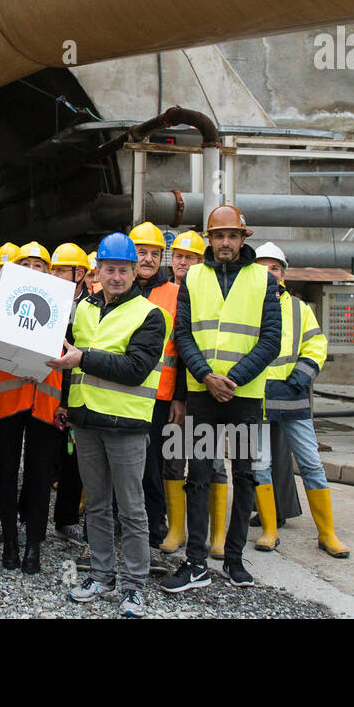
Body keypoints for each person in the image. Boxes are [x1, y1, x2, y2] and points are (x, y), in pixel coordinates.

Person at [48, 232, 169, 618]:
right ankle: (101, 575)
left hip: (126, 424)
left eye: (123, 270)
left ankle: (134, 585)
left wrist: (83, 358)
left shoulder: (150, 315)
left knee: (132, 509)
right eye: (109, 269)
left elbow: (135, 369)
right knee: (97, 505)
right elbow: (66, 357)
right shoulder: (83, 307)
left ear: (135, 272)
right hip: (85, 421)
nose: (115, 276)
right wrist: (67, 402)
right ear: (96, 271)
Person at [162, 204, 281, 593]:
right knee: (196, 476)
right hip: (202, 394)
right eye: (218, 236)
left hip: (245, 396)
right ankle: (195, 562)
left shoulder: (263, 279)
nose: (225, 242)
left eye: (232, 235)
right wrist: (205, 376)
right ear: (209, 239)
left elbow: (271, 339)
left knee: (245, 475)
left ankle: (233, 559)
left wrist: (231, 378)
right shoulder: (192, 277)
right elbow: (182, 335)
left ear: (243, 238)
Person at [251, 243, 349, 558]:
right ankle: (268, 529)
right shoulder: (244, 307)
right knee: (260, 466)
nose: (270, 273)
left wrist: (301, 377)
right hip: (257, 398)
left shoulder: (299, 308)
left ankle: (327, 534)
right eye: (263, 267)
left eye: (275, 268)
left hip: (292, 398)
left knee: (311, 465)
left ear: (284, 272)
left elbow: (316, 343)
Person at [0, 242, 64, 575]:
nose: (33, 269)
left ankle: (34, 546)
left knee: (39, 476)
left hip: (45, 401)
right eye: (26, 264)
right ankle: (9, 544)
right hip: (7, 399)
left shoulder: (64, 306)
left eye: (39, 264)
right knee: (5, 473)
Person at [127, 222, 183, 555]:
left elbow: (184, 349)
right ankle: (125, 522)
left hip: (160, 397)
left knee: (153, 468)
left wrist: (180, 398)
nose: (147, 259)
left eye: (154, 253)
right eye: (141, 252)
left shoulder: (176, 294)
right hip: (124, 393)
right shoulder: (120, 289)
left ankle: (152, 528)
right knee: (123, 464)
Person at [156, 229, 206, 553]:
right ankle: (176, 529)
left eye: (190, 257)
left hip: (202, 394)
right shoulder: (166, 292)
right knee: (172, 461)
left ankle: (211, 536)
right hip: (173, 393)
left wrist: (182, 396)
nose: (183, 262)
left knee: (207, 463)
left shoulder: (206, 294)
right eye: (178, 256)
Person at [48, 242, 91, 544]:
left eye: (62, 270)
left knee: (74, 460)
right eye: (55, 269)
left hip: (78, 392)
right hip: (47, 386)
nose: (56, 274)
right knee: (44, 458)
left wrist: (69, 401)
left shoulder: (93, 305)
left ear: (80, 273)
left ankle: (66, 519)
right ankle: (32, 518)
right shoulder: (46, 299)